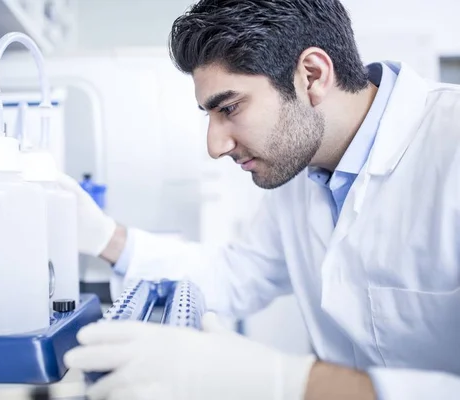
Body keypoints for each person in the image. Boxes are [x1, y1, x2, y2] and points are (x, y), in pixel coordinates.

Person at [59, 0, 460, 398]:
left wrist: (285, 381)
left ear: (312, 75)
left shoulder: (450, 145)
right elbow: (237, 276)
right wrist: (104, 238)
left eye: (229, 108)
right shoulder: (303, 173)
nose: (215, 145)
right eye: (210, 116)